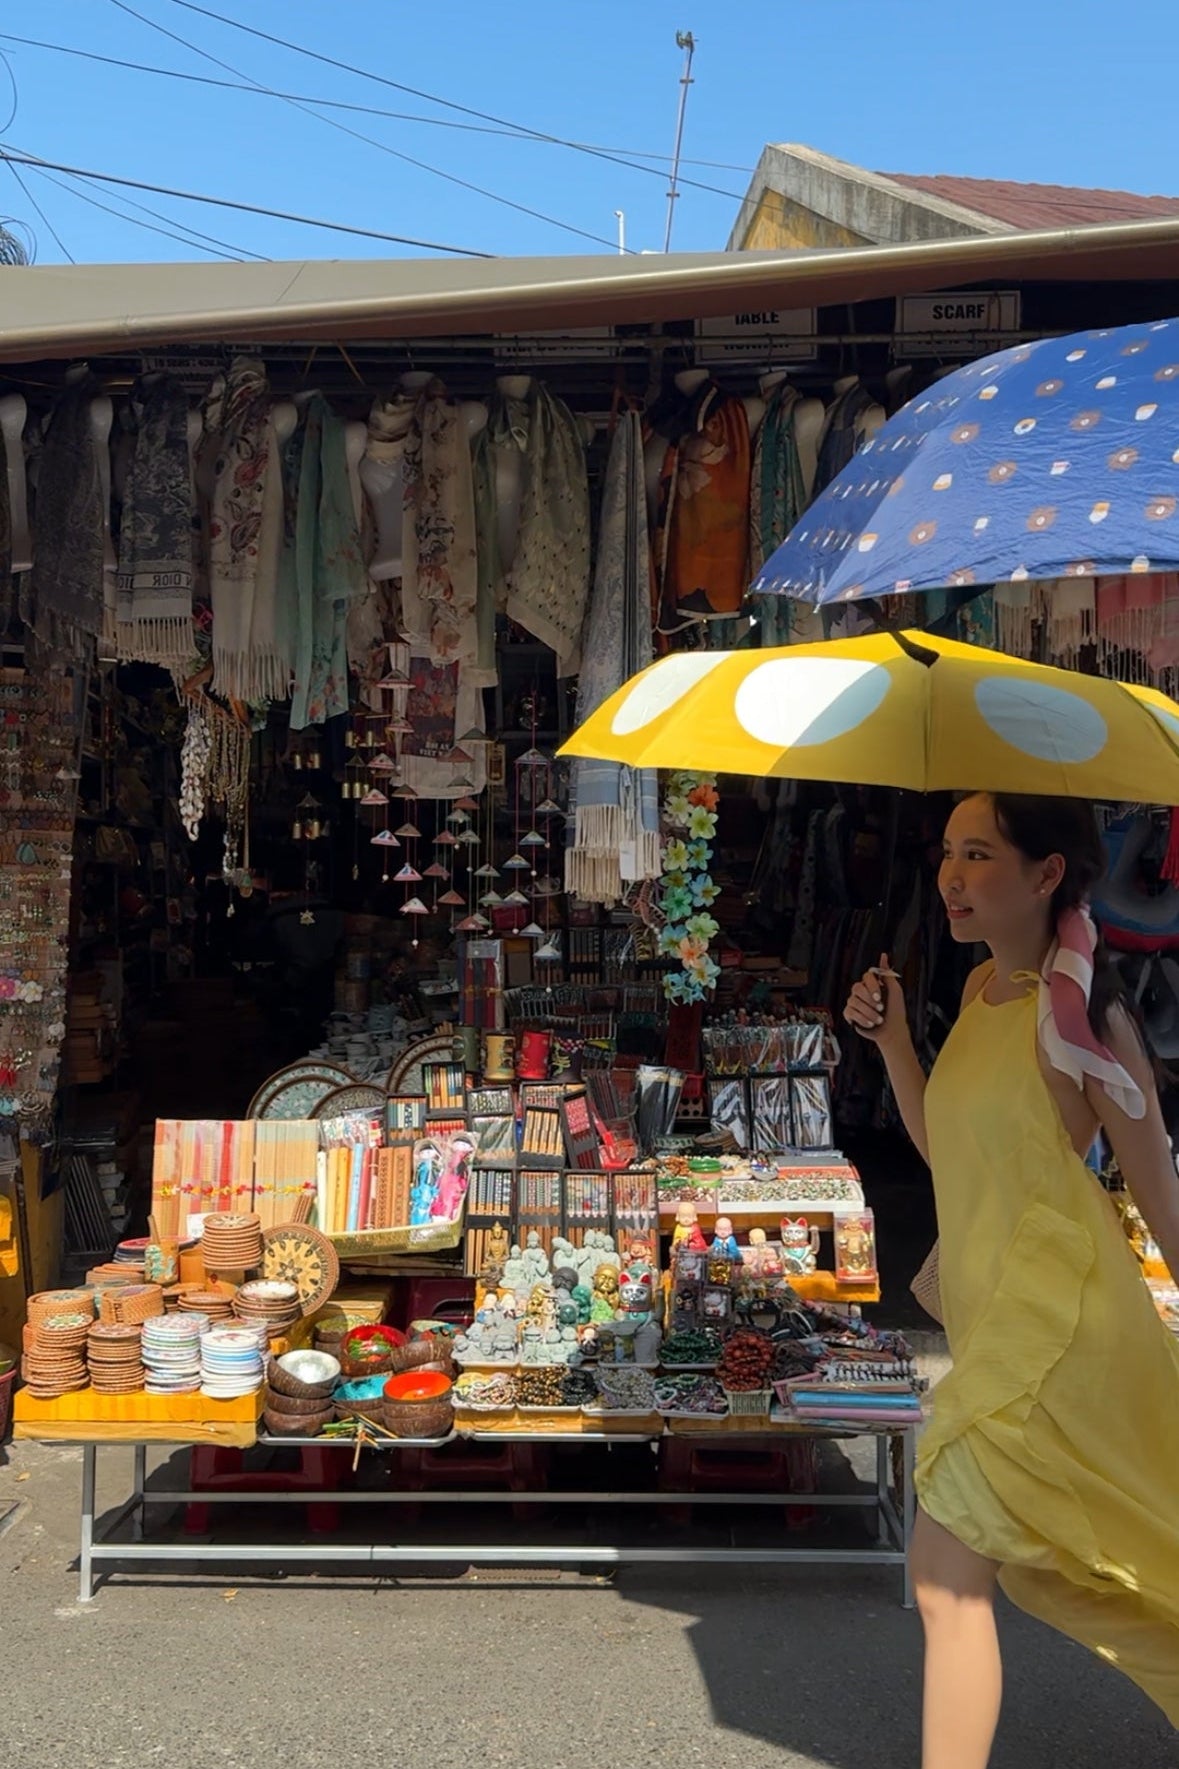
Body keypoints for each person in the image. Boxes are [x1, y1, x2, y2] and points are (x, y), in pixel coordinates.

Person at [844, 792, 1179, 1766]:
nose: (950, 875)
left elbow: (1158, 1193)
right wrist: (895, 1041)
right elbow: (945, 1151)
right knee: (1094, 1573)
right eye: (949, 851)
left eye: (979, 853)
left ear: (1045, 874)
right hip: (1004, 1330)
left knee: (948, 1575)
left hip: (1051, 1333)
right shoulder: (988, 999)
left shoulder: (1087, 1017)